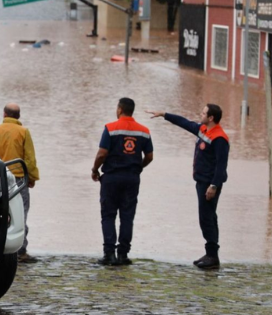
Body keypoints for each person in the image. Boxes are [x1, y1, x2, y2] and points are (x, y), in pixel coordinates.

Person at [147, 104, 229, 269]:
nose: (201, 114)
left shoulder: (219, 138)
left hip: (209, 184)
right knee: (206, 217)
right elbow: (184, 123)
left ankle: (212, 256)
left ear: (211, 118)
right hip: (201, 181)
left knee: (207, 218)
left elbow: (221, 166)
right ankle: (210, 253)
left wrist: (213, 186)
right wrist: (164, 114)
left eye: (204, 112)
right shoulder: (203, 129)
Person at [92, 98, 153, 266]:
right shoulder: (144, 131)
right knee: (127, 216)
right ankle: (123, 254)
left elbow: (102, 154)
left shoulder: (110, 128)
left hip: (111, 177)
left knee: (108, 215)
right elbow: (149, 156)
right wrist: (138, 167)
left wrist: (94, 170)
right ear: (132, 110)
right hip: (132, 178)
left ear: (120, 110)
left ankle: (109, 254)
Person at [0, 103, 40, 264]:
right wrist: (32, 178)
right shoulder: (23, 132)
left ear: (4, 114)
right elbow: (29, 158)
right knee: (20, 214)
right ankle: (20, 251)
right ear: (18, 116)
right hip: (18, 179)